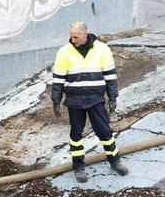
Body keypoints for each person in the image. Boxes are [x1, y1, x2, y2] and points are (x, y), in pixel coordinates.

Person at [50, 21, 127, 184]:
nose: (72, 40)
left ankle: (115, 162)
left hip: (96, 99)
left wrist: (113, 96)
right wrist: (56, 99)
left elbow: (110, 75)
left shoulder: (102, 49)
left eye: (76, 36)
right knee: (76, 135)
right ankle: (78, 167)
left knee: (105, 132)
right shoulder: (64, 52)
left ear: (86, 34)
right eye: (71, 36)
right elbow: (58, 79)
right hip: (74, 101)